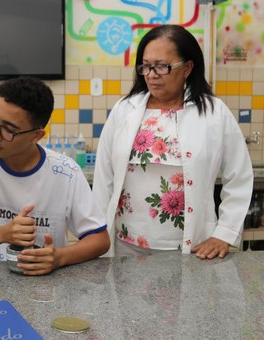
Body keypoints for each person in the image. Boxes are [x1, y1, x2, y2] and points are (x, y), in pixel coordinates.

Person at [93, 24, 253, 259]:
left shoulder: (213, 112)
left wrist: (224, 234)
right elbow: (104, 176)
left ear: (187, 67)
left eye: (162, 66)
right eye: (146, 66)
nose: (151, 74)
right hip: (125, 245)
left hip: (192, 249)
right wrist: (96, 234)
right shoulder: (125, 109)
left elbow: (238, 176)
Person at [0, 76, 110, 274]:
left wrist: (59, 257)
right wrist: (3, 233)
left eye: (8, 129)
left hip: (44, 284)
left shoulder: (66, 172)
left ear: (36, 136)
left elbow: (100, 240)